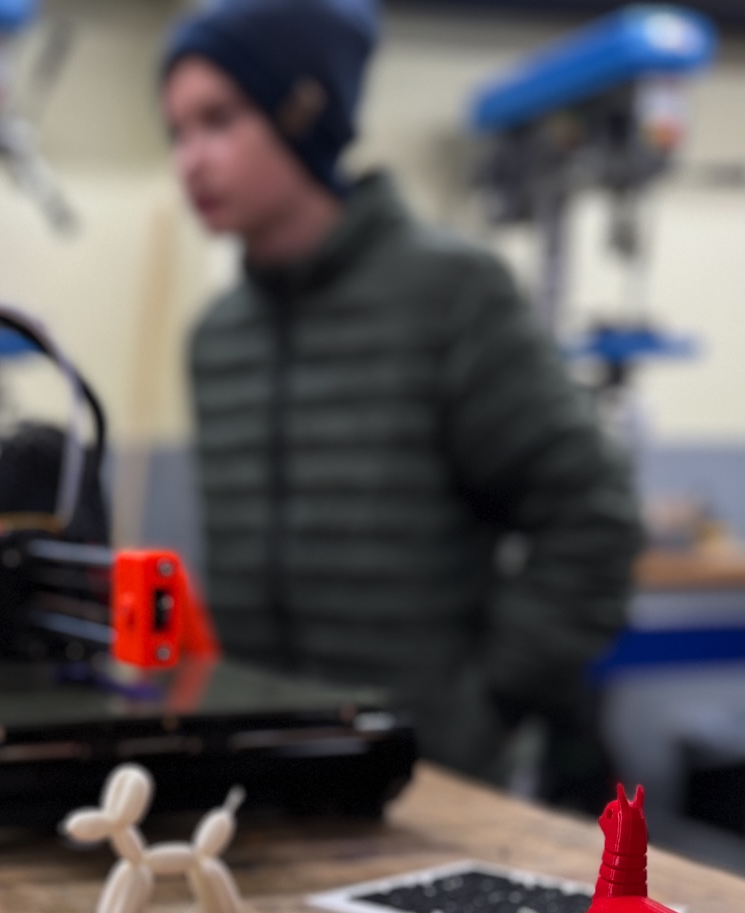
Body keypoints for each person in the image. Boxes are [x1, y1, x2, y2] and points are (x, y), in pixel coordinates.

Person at [161, 0, 643, 795]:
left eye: (218, 120)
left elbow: (592, 515)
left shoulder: (449, 294)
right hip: (256, 775)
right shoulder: (216, 339)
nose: (190, 161)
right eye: (176, 132)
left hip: (424, 785)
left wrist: (484, 706)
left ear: (303, 110)